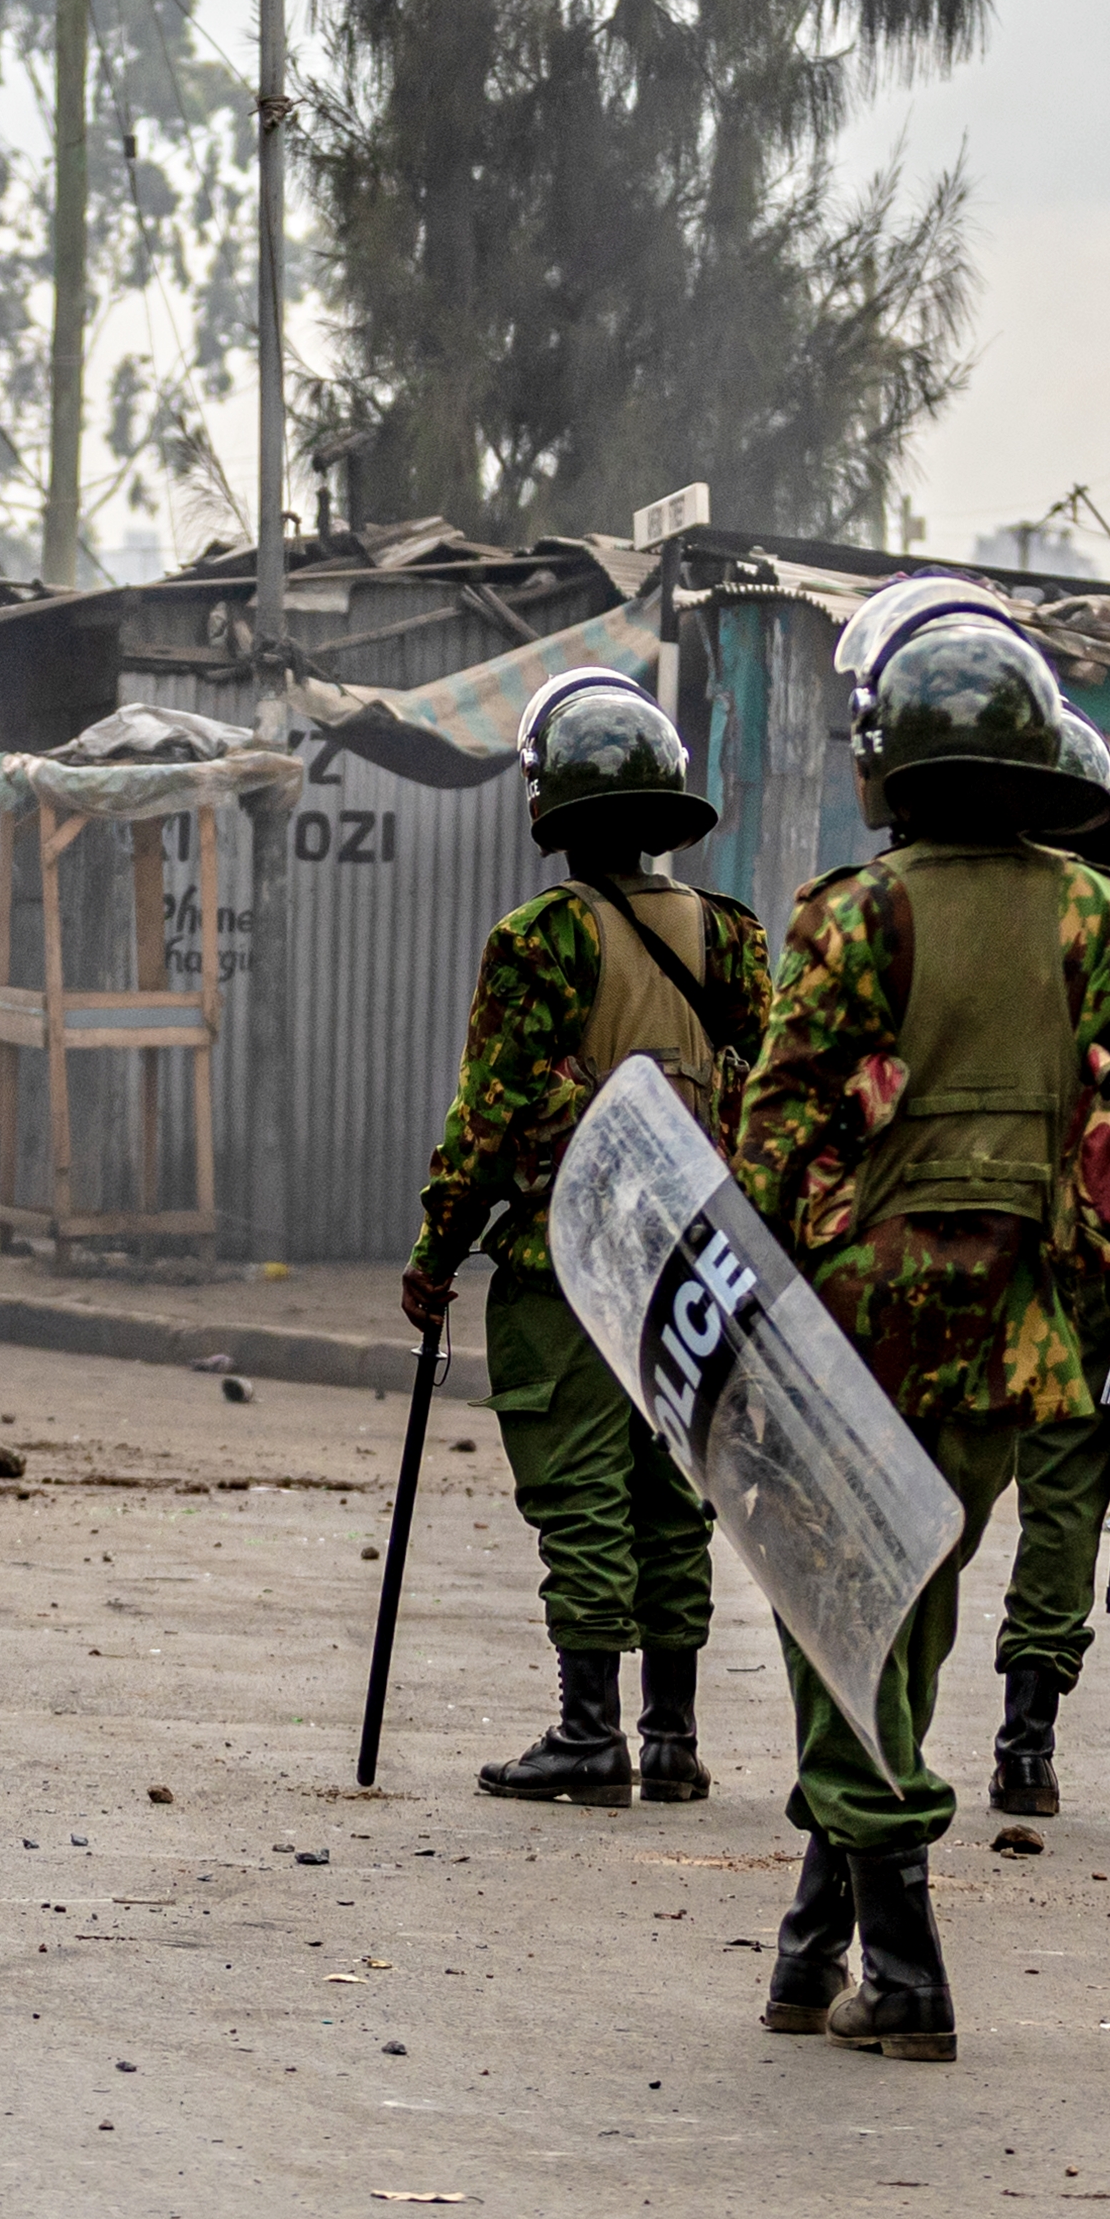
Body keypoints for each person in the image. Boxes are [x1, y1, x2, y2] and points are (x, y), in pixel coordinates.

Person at [726, 616, 1110, 2060]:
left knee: (840, 1615)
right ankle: (810, 1943)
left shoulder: (850, 913)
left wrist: (782, 1303)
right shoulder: (1108, 921)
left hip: (855, 1331)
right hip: (1017, 1342)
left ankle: (906, 1963)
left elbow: (777, 1131)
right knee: (896, 1609)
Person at [400, 670, 766, 1814]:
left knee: (581, 1494)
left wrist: (435, 1251)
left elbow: (489, 1111)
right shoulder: (731, 938)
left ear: (548, 805)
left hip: (570, 1265)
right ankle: (669, 1739)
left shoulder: (540, 939)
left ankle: (584, 1732)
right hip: (700, 1262)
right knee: (673, 1492)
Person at [974, 710, 1110, 1823]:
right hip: (1081, 1264)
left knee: (925, 1495)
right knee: (1061, 1507)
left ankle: (872, 1727)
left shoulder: (927, 907)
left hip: (946, 1254)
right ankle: (1026, 1740)